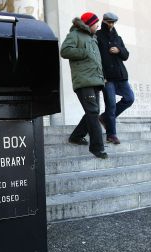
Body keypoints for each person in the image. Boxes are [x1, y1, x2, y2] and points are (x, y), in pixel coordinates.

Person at [60, 12, 107, 159]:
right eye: (96, 23)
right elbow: (64, 50)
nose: (98, 25)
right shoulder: (75, 34)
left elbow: (96, 61)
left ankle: (76, 136)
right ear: (88, 24)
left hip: (95, 80)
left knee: (93, 112)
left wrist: (102, 77)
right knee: (93, 113)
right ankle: (97, 148)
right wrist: (84, 51)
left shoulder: (93, 38)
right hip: (84, 81)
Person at [96, 12, 135, 144]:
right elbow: (95, 59)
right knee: (111, 105)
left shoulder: (118, 38)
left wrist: (119, 50)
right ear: (104, 21)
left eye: (113, 22)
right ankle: (111, 134)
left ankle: (105, 118)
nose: (111, 24)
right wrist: (102, 76)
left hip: (121, 76)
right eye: (109, 22)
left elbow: (126, 55)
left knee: (129, 98)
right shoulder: (97, 36)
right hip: (107, 78)